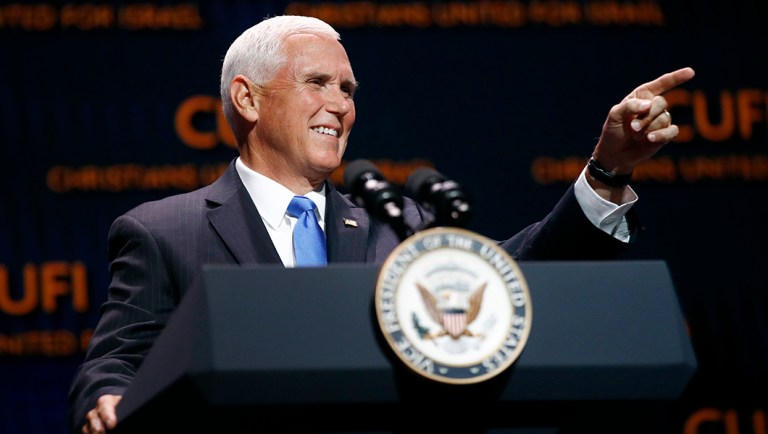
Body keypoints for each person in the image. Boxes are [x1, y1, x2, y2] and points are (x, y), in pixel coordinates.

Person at [67, 14, 695, 434]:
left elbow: (512, 277)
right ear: (247, 98)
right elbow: (115, 363)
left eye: (348, 88)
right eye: (317, 83)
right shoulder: (164, 230)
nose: (340, 105)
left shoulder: (396, 225)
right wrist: (106, 402)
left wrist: (606, 171)